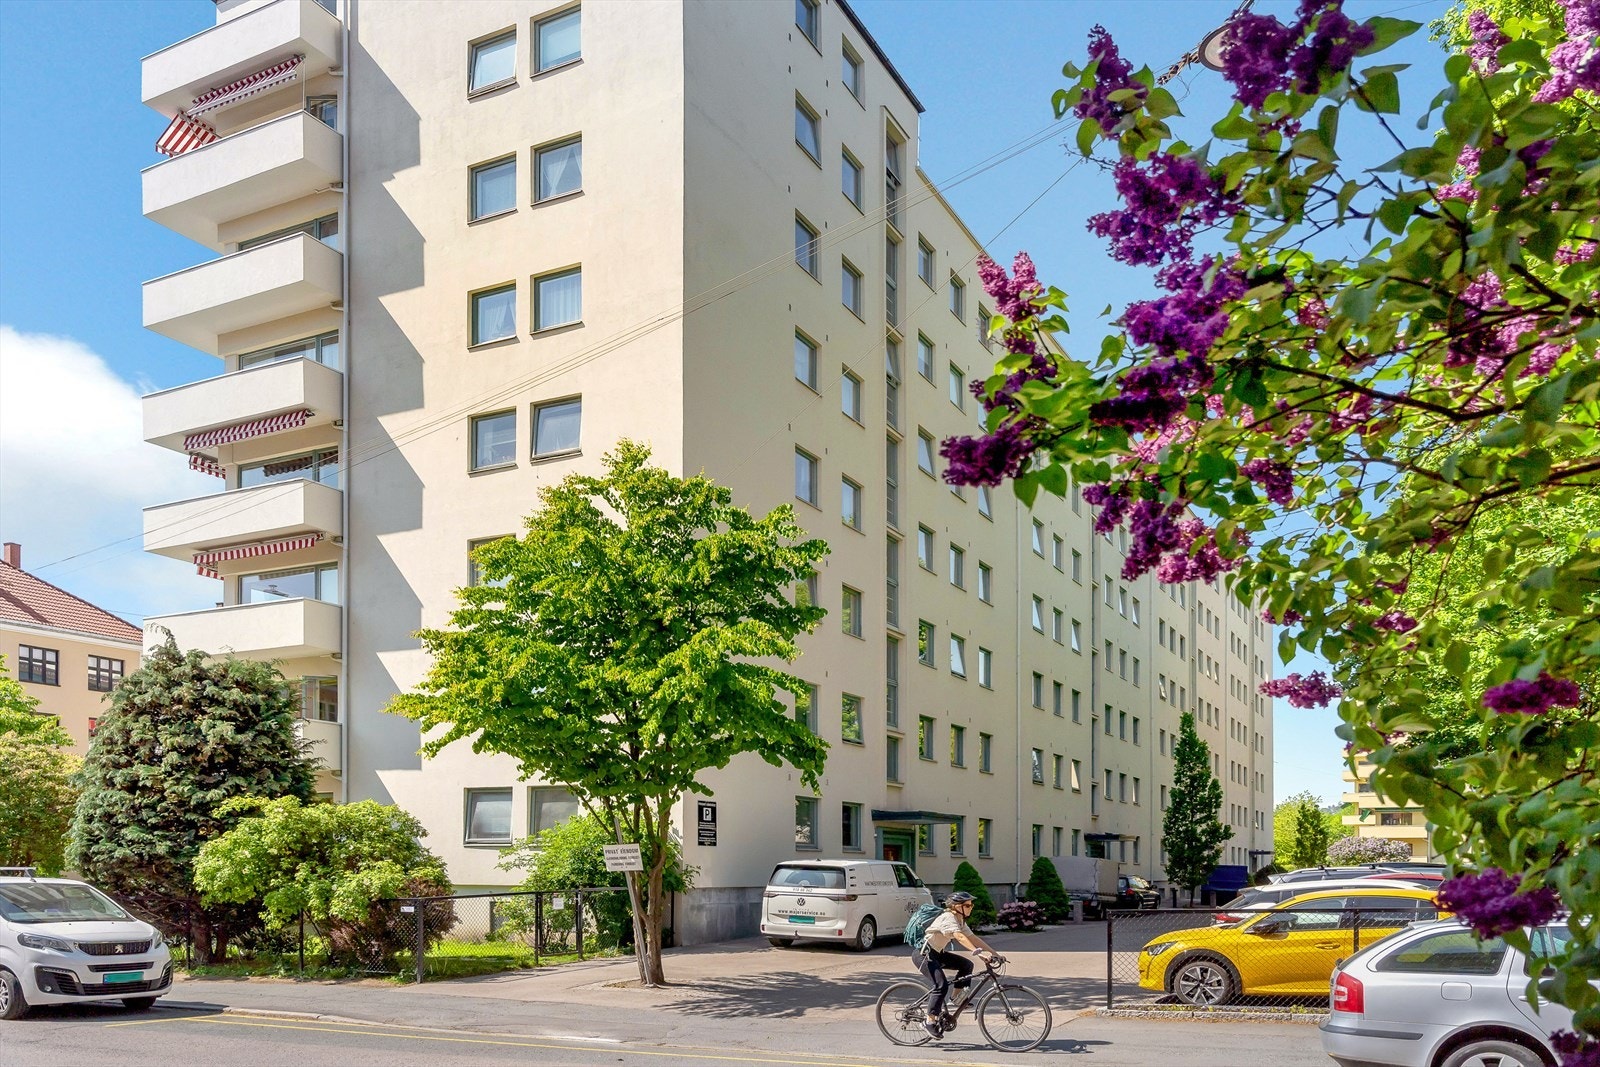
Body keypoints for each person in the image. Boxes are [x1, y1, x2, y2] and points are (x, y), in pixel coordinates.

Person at [916, 890, 1002, 1038]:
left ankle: (955, 999)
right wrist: (979, 953)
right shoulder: (948, 918)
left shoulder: (960, 920)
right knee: (940, 985)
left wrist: (996, 954)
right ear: (957, 906)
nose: (971, 907)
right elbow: (959, 936)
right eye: (967, 905)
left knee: (966, 965)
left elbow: (973, 938)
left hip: (938, 953)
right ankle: (929, 1021)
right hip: (924, 955)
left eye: (971, 905)